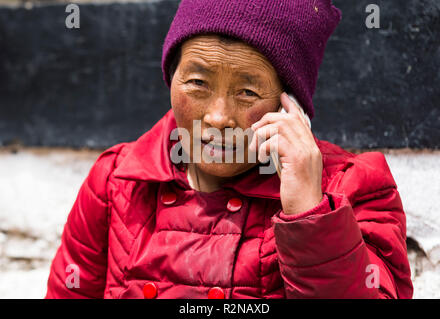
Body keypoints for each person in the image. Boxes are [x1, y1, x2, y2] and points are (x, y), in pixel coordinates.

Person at [45, 0, 413, 299]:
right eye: (197, 83)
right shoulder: (116, 182)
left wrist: (308, 211)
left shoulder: (350, 190)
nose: (218, 117)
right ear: (171, 79)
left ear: (291, 107)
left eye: (247, 92)